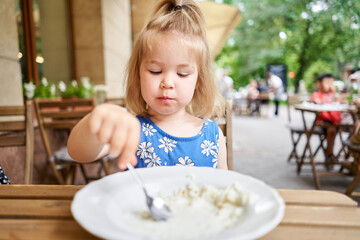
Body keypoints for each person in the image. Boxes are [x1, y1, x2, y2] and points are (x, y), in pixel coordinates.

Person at [67, 0, 227, 170]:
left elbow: (226, 188)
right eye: (155, 71)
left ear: (199, 81)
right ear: (138, 76)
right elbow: (77, 152)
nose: (167, 83)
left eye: (182, 74)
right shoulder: (130, 130)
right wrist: (96, 120)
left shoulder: (213, 135)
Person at [311, 73, 341, 167]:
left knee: (334, 128)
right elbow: (317, 102)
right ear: (319, 84)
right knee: (331, 129)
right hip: (322, 121)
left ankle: (330, 155)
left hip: (334, 121)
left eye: (331, 82)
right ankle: (330, 155)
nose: (329, 85)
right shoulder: (317, 94)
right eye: (327, 82)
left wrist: (334, 95)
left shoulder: (335, 95)